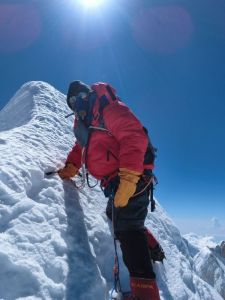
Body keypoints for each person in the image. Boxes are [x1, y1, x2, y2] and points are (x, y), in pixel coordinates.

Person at [58, 81, 163, 300]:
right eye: (71, 103)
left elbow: (134, 136)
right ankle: (150, 244)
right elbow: (80, 148)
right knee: (114, 215)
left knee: (127, 229)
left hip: (133, 179)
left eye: (79, 97)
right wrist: (71, 166)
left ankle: (146, 295)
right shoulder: (86, 124)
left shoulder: (110, 109)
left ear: (88, 94)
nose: (76, 104)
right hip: (115, 183)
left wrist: (128, 178)